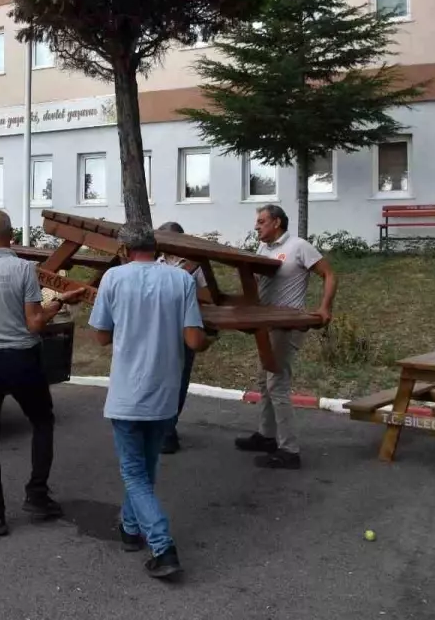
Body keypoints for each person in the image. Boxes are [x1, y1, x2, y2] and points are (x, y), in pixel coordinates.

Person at [89, 223, 210, 579]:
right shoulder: (181, 280)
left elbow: (100, 337)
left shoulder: (113, 279)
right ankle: (129, 529)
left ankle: (163, 547)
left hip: (128, 393)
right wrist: (206, 339)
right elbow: (193, 340)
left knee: (134, 472)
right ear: (155, 248)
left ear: (124, 250)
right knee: (146, 467)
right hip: (164, 393)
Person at [0, 209, 84, 536]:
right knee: (42, 421)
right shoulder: (24, 269)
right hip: (21, 357)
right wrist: (59, 301)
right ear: (12, 234)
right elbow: (34, 322)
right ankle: (36, 494)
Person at [234, 204, 337, 470]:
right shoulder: (263, 249)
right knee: (263, 379)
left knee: (276, 383)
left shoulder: (298, 246)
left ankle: (289, 451)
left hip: (287, 326)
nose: (256, 226)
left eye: (261, 221)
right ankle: (267, 436)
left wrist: (324, 307)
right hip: (266, 324)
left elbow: (329, 274)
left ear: (276, 222)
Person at [155, 221, 208, 455]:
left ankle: (169, 430)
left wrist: (182, 288)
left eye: (171, 239)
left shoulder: (196, 267)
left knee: (179, 379)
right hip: (158, 330)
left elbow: (208, 295)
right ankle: (160, 428)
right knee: (158, 380)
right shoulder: (154, 264)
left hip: (185, 327)